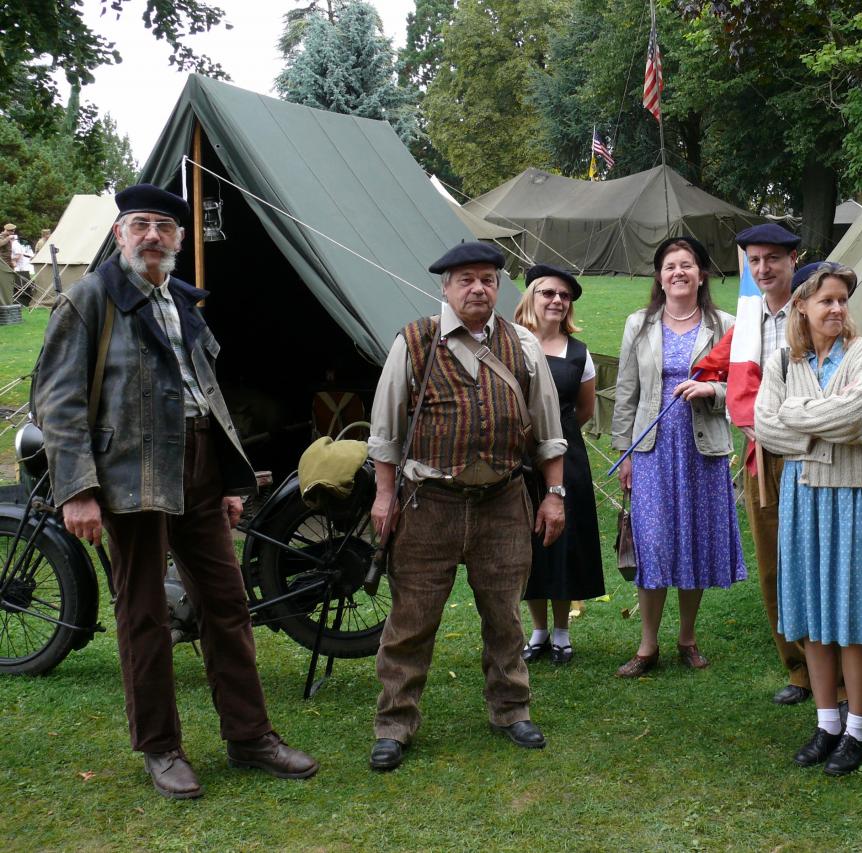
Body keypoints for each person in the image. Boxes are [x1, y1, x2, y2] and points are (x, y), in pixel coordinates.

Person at [30, 184, 317, 800]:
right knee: (144, 614)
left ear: (180, 242)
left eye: (164, 227)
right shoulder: (90, 300)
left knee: (228, 606)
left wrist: (232, 480)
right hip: (131, 475)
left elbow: (205, 395)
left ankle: (250, 737)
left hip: (199, 469)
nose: (151, 237)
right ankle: (160, 748)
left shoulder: (180, 301)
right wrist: (77, 490)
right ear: (119, 236)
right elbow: (57, 402)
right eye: (139, 226)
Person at [367, 241, 568, 771]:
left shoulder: (522, 343)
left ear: (498, 287)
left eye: (487, 279)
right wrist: (384, 495)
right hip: (427, 503)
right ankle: (394, 723)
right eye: (466, 280)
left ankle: (511, 709)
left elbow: (549, 429)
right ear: (445, 287)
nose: (478, 289)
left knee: (504, 615)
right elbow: (385, 431)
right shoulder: (413, 342)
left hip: (502, 501)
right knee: (411, 620)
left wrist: (553, 493)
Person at [754, 262, 862, 776]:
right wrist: (817, 419)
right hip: (804, 497)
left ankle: (856, 728)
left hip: (856, 496)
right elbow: (763, 428)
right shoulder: (782, 362)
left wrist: (796, 415)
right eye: (826, 300)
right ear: (802, 307)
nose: (837, 309)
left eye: (842, 300)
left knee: (852, 616)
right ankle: (826, 722)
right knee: (813, 613)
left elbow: (858, 419)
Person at [611, 236, 747, 677]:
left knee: (693, 542)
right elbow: (626, 391)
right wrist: (625, 452)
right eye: (670, 266)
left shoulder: (724, 325)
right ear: (659, 276)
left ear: (701, 274)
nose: (679, 273)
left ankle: (687, 638)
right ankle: (647, 645)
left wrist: (711, 389)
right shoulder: (639, 324)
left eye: (687, 265)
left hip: (702, 449)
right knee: (652, 544)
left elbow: (744, 389)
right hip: (652, 450)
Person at [730, 222, 822, 706]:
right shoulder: (747, 320)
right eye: (754, 260)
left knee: (811, 559)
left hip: (808, 453)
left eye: (772, 259)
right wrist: (749, 421)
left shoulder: (812, 314)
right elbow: (734, 382)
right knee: (772, 566)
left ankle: (835, 672)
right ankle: (798, 669)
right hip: (760, 456)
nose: (763, 268)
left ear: (793, 260)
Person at [515, 263, 605, 665]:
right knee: (527, 540)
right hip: (519, 457)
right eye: (548, 293)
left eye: (563, 296)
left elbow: (584, 409)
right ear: (532, 297)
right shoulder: (512, 342)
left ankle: (563, 632)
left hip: (567, 458)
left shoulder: (579, 353)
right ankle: (537, 630)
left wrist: (558, 436)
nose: (556, 300)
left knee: (562, 539)